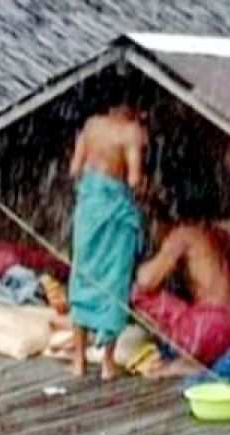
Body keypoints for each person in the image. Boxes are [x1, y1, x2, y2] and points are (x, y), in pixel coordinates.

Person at [67, 105, 147, 380]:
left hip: (89, 206)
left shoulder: (91, 124)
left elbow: (74, 168)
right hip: (114, 210)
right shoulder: (131, 132)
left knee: (83, 276)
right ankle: (107, 364)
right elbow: (134, 180)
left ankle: (78, 359)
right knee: (114, 280)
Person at [131, 211, 230, 374]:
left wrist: (138, 269)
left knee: (137, 294)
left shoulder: (185, 234)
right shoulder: (224, 232)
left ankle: (188, 360)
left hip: (209, 329)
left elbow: (146, 282)